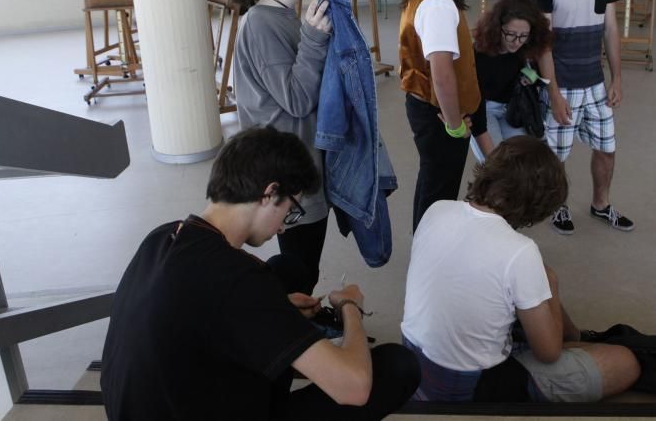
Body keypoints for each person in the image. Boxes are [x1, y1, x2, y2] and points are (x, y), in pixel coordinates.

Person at [101, 127, 420, 420]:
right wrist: (351, 308)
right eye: (290, 210)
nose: (284, 225)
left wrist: (276, 309)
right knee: (397, 367)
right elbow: (355, 387)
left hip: (148, 406)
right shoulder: (237, 280)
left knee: (285, 270)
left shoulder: (164, 236)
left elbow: (213, 306)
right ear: (269, 193)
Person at [401, 136, 641, 403]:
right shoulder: (521, 251)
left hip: (413, 368)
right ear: (538, 205)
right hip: (466, 388)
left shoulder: (437, 209)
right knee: (625, 362)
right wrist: (551, 284)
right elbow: (549, 352)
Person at [220, 0, 334, 294]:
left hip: (298, 162)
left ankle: (298, 327)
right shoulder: (263, 23)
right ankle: (294, 338)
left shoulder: (283, 16)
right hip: (287, 172)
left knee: (304, 267)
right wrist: (316, 41)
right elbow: (298, 99)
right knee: (299, 271)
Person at [529, 0, 631, 235]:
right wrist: (553, 93)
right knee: (556, 156)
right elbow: (543, 45)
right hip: (563, 84)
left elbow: (611, 29)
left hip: (595, 83)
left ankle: (601, 205)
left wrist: (617, 77)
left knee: (607, 148)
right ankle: (557, 206)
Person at [398, 0, 481, 231]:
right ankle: (430, 253)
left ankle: (426, 244)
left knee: (433, 180)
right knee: (440, 191)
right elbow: (442, 73)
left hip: (431, 107)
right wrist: (455, 123)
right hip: (439, 113)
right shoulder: (438, 3)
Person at [469, 0, 554, 162]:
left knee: (525, 161)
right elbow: (472, 106)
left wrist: (531, 77)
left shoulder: (527, 45)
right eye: (511, 34)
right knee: (497, 165)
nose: (517, 42)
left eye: (523, 35)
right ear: (497, 28)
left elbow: (536, 72)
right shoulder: (478, 53)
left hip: (513, 108)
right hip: (483, 110)